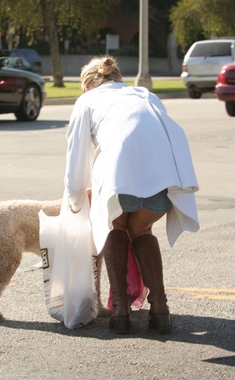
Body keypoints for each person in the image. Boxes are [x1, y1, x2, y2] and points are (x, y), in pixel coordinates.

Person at [64, 55, 199, 334]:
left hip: (119, 176)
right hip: (164, 176)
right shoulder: (143, 94)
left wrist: (73, 195)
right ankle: (160, 308)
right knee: (142, 230)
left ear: (88, 84)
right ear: (116, 78)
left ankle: (121, 308)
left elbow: (76, 156)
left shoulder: (87, 100)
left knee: (115, 225)